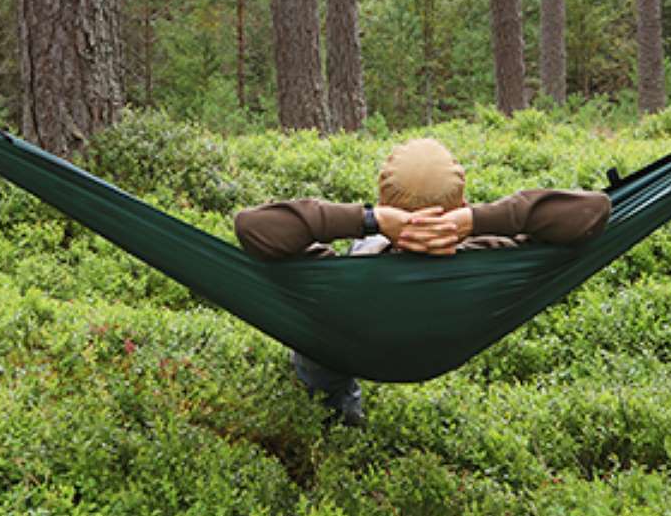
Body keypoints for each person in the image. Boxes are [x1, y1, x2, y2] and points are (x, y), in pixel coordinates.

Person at [234, 137, 611, 426]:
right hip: (453, 318)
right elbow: (594, 210)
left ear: (383, 198)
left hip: (354, 323)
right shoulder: (494, 254)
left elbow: (253, 227)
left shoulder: (340, 278)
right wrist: (476, 221)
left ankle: (338, 408)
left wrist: (369, 221)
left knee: (318, 299)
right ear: (461, 199)